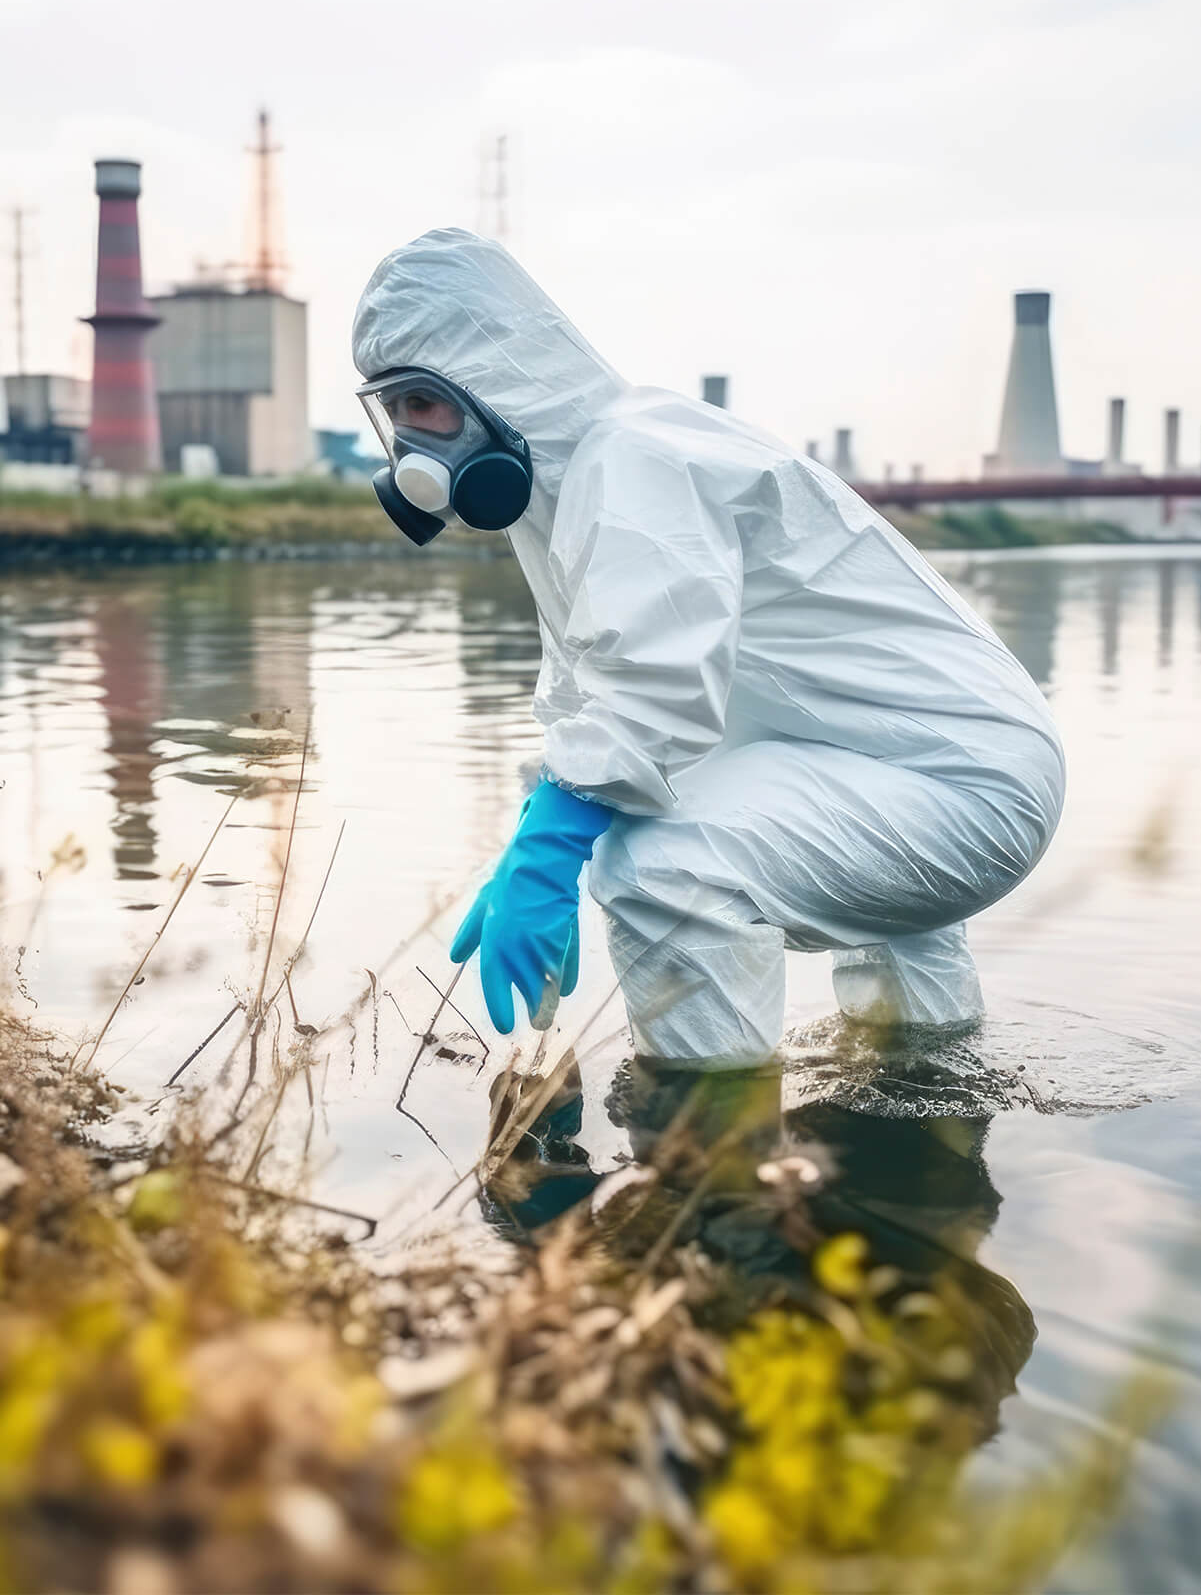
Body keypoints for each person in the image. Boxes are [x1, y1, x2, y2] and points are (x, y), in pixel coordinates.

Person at [352, 230, 1064, 1069]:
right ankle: (921, 1121)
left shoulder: (635, 461)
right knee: (903, 1038)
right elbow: (590, 692)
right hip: (915, 763)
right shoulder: (582, 482)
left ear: (490, 377)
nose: (412, 448)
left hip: (952, 785)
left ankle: (707, 1157)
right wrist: (533, 841)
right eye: (393, 415)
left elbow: (650, 693)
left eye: (423, 407)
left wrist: (553, 855)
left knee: (662, 870)